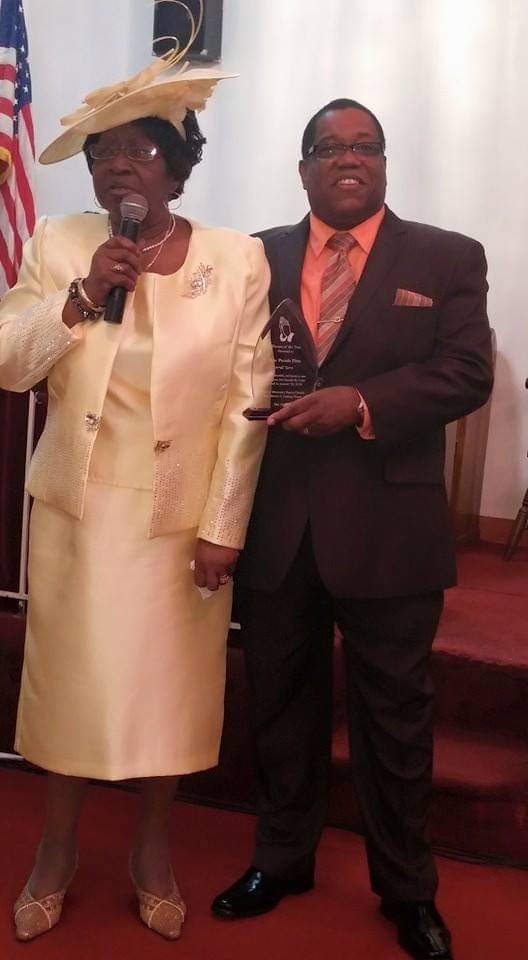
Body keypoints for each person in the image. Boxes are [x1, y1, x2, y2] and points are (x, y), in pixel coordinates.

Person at [211, 98, 493, 960]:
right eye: (329, 147)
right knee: (282, 708)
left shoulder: (445, 256)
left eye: (365, 146)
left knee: (395, 721)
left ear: (383, 164)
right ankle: (282, 858)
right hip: (277, 527)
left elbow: (466, 372)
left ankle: (408, 891)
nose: (349, 158)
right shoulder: (254, 256)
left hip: (389, 532)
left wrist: (364, 403)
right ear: (302, 169)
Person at [0, 52, 270, 943]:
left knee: (168, 698)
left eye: (139, 151)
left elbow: (246, 405)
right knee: (73, 689)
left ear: (177, 164)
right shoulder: (64, 245)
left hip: (180, 521)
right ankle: (57, 850)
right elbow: (11, 366)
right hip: (81, 512)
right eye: (102, 154)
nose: (117, 166)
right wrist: (81, 298)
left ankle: (153, 851)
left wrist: (225, 527)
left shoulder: (237, 261)